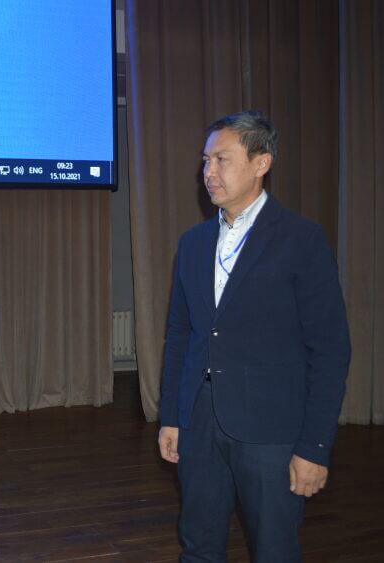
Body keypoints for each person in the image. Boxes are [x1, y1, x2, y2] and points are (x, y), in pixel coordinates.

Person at [157, 111, 351, 562]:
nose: (208, 172)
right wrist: (172, 416)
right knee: (198, 547)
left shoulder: (302, 240)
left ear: (261, 163)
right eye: (206, 160)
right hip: (200, 422)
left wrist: (314, 447)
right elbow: (180, 335)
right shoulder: (193, 243)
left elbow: (330, 350)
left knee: (274, 550)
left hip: (271, 433)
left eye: (222, 159)